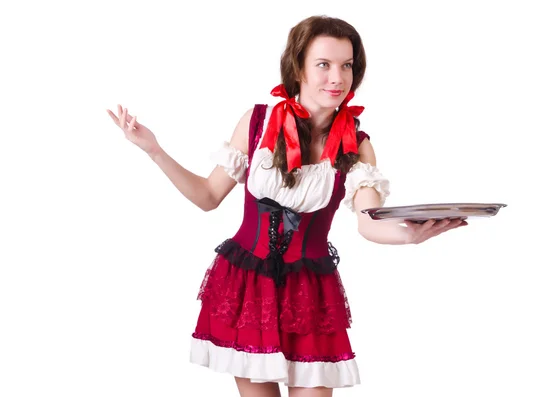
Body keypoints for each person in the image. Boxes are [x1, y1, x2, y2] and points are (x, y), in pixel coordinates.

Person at [107, 15, 466, 397]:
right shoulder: (258, 122)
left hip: (310, 294)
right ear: (298, 68)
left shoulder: (356, 143)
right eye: (324, 65)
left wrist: (409, 235)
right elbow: (208, 197)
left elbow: (368, 221)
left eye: (347, 65)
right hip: (246, 286)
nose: (337, 78)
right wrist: (154, 150)